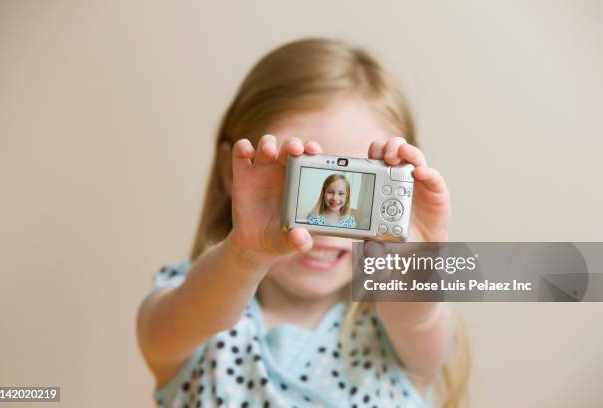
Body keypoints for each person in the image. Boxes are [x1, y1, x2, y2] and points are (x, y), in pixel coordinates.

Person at [137, 38, 469, 408]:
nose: (328, 227)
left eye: (365, 185)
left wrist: (408, 261)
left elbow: (415, 318)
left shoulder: (398, 329)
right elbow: (189, 316)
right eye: (297, 181)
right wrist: (244, 255)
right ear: (232, 173)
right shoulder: (190, 310)